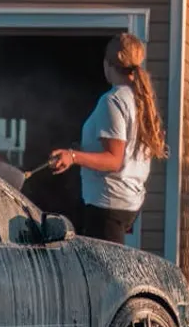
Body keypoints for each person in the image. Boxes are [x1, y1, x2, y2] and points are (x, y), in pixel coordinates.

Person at [48, 32, 168, 244]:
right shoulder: (138, 100)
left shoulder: (112, 100)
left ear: (108, 64)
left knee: (105, 275)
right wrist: (83, 149)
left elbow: (114, 159)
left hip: (107, 206)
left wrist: (73, 156)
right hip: (126, 204)